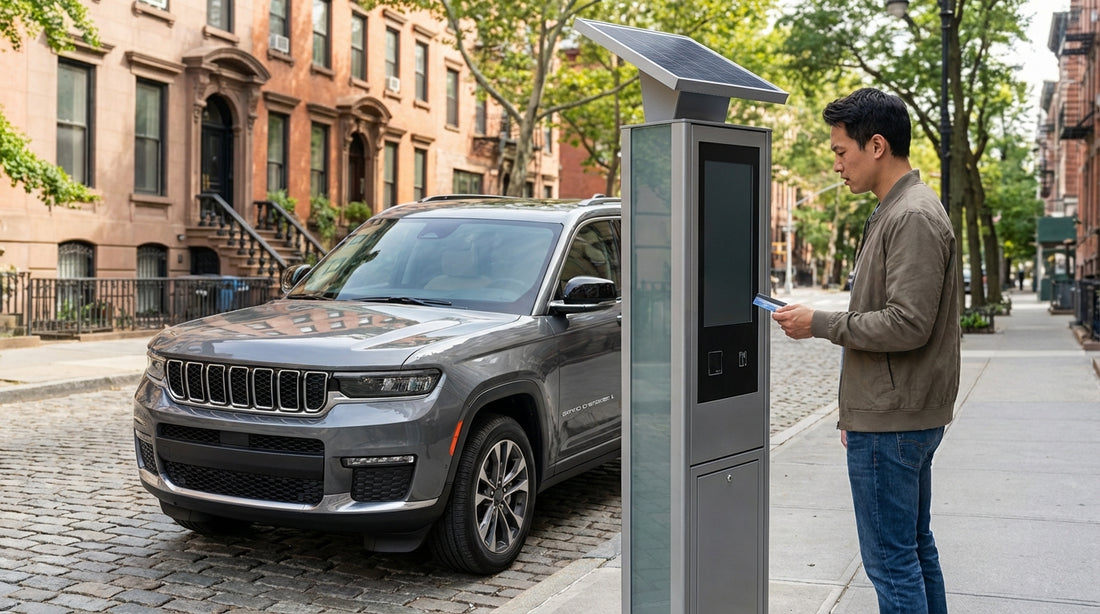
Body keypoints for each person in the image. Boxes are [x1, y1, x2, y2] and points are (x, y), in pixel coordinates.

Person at [772, 87, 960, 614]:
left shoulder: (912, 216)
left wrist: (819, 323)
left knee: (891, 564)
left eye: (840, 151)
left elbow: (908, 324)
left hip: (894, 421)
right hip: (891, 414)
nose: (836, 164)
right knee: (913, 552)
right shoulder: (897, 209)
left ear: (876, 145)